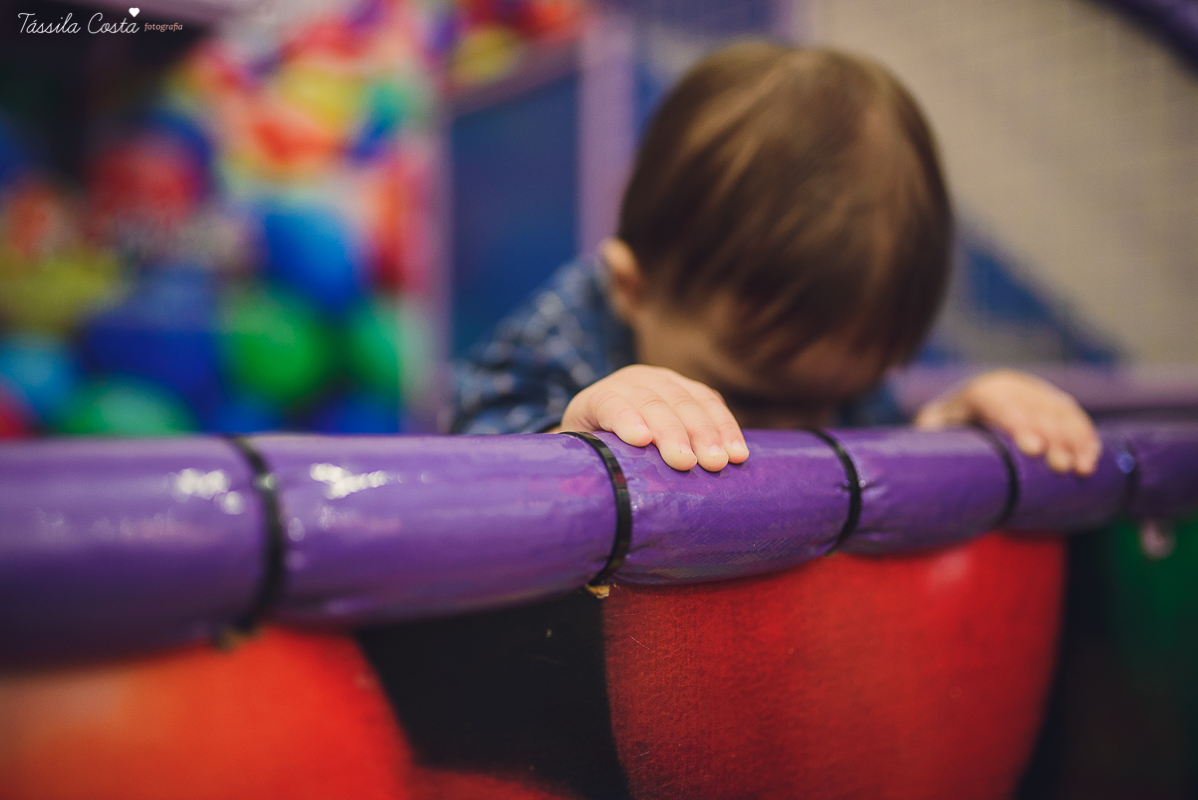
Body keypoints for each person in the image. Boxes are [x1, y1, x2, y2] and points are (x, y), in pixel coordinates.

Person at [452, 41, 1100, 476]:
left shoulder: (817, 375)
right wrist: (565, 439)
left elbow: (877, 475)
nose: (799, 434)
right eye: (746, 399)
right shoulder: (566, 332)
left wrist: (956, 430)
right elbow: (463, 463)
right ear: (633, 292)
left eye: (834, 401)